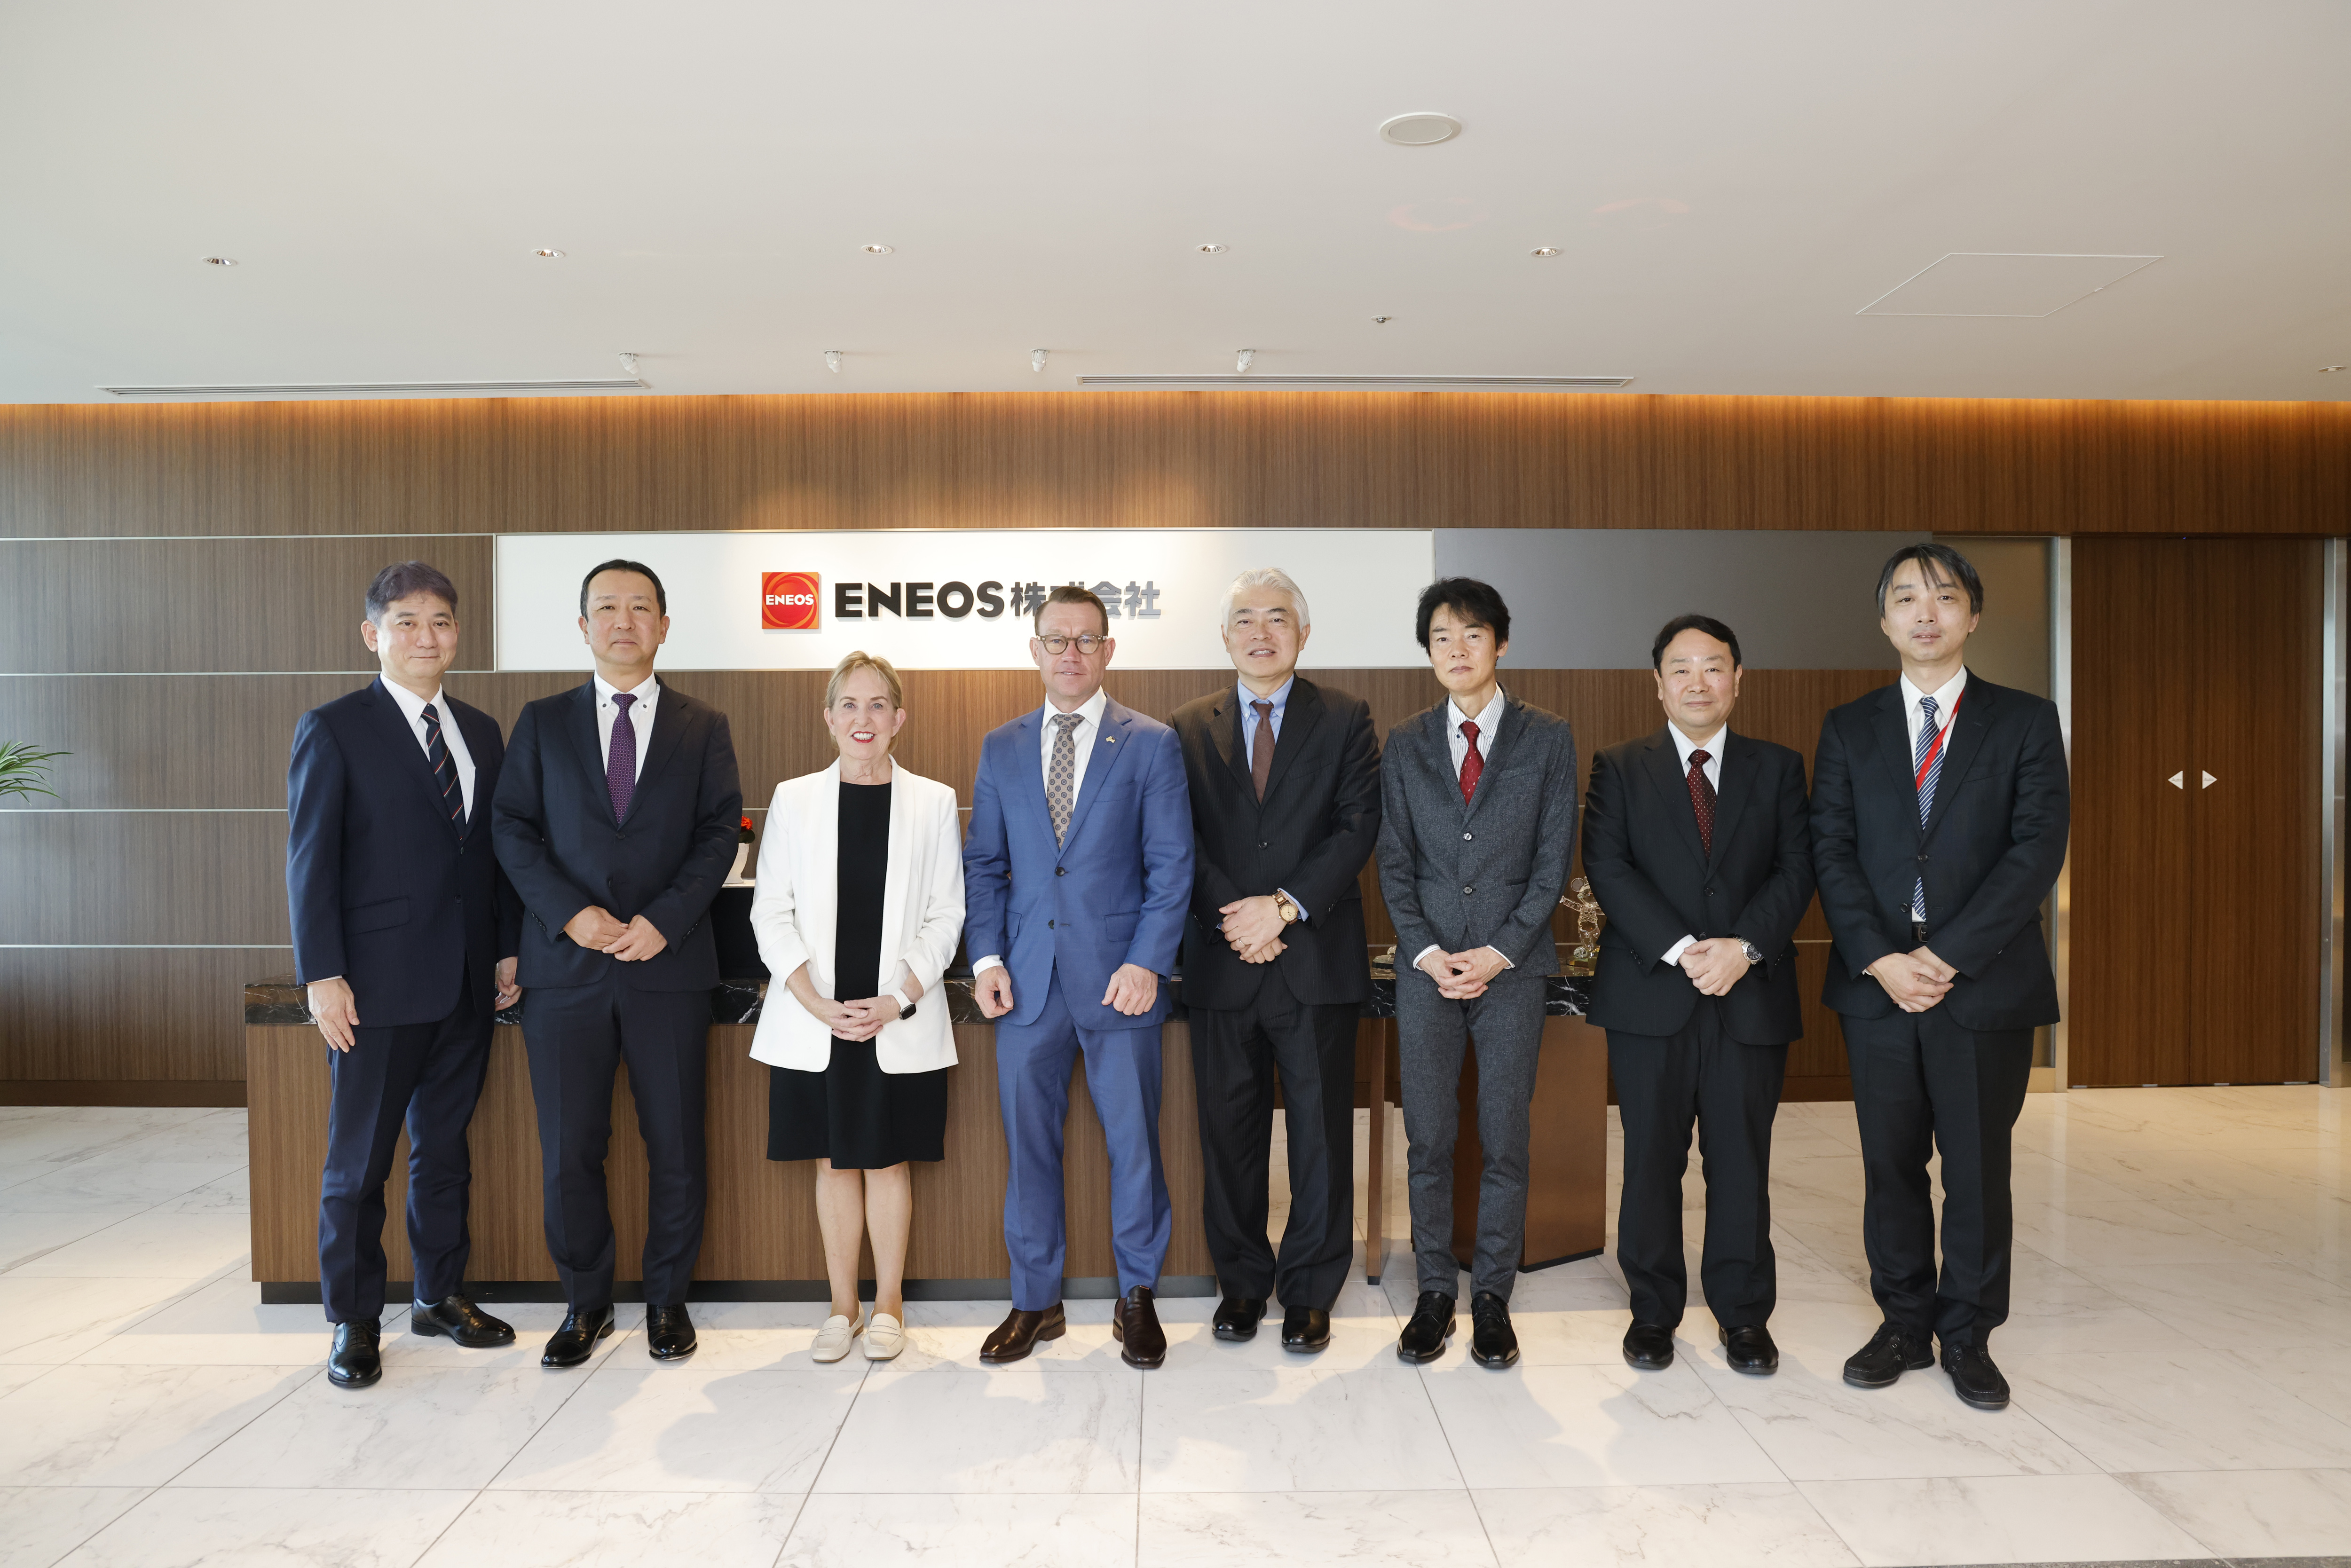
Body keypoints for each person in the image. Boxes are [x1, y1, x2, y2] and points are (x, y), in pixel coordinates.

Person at [1811, 543, 2068, 1410]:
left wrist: (1948, 955)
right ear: (1884, 620)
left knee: (1977, 1165)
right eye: (1908, 599)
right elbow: (1831, 850)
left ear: (1972, 616)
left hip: (1982, 983)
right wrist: (1882, 958)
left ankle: (1968, 1332)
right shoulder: (1849, 726)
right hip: (1879, 982)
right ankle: (1904, 1323)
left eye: (1945, 597)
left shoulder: (2027, 720)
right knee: (1890, 1165)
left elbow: (2036, 852)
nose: (1927, 613)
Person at [491, 559, 742, 1368]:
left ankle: (668, 1303)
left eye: (641, 608)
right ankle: (584, 1305)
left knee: (676, 1143)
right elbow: (512, 830)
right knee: (569, 1148)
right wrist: (572, 914)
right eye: (607, 608)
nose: (624, 621)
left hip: (667, 966)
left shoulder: (705, 725)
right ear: (583, 626)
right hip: (566, 969)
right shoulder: (540, 721)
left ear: (665, 626)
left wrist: (664, 922)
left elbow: (718, 836)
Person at [287, 560, 523, 1390]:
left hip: (464, 982)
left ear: (458, 634)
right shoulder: (335, 727)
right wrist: (323, 975)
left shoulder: (482, 732)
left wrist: (503, 947)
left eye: (442, 623)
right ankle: (354, 1320)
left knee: (445, 1151)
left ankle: (438, 1294)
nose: (427, 637)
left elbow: (488, 856)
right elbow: (310, 863)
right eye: (408, 621)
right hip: (375, 987)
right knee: (360, 1163)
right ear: (373, 634)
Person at [962, 585, 1192, 1368]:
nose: (1071, 652)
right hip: (1025, 983)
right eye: (1056, 639)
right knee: (1029, 1147)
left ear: (1108, 652)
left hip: (1119, 979)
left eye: (1086, 640)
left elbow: (1172, 867)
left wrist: (1148, 961)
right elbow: (985, 865)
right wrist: (986, 959)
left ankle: (1138, 1299)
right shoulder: (1001, 746)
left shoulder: (1152, 744)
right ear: (1034, 649)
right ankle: (1036, 1301)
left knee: (1134, 1145)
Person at [1581, 615, 1815, 1378]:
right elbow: (1609, 869)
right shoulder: (1619, 767)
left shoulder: (1779, 768)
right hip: (1654, 994)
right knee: (1652, 1158)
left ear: (1738, 680)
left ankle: (1745, 1318)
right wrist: (1686, 951)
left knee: (1741, 1160)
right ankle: (1653, 1312)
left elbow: (1797, 869)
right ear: (1657, 684)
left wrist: (1744, 949)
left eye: (1713, 667)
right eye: (1681, 668)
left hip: (1749, 997)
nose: (1697, 682)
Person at [1171, 568, 1381, 1353]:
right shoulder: (1187, 725)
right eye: (1247, 621)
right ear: (1225, 637)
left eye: (1279, 619)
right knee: (1230, 1133)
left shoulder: (1347, 719)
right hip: (1225, 960)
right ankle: (1242, 1285)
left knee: (1321, 1132)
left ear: (1304, 632)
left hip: (1313, 958)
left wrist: (1283, 906)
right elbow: (1175, 838)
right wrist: (1237, 916)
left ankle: (1309, 1291)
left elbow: (1358, 827)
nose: (1263, 633)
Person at [1377, 577, 1578, 1369]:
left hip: (1514, 968)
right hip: (1427, 971)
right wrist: (1427, 953)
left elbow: (1552, 859)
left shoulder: (1548, 737)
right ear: (1427, 652)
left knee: (1504, 1136)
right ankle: (1434, 1291)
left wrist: (1500, 951)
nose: (1456, 651)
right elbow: (1396, 863)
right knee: (1428, 1136)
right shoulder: (1405, 742)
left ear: (1501, 642)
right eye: (1440, 639)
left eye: (1471, 635)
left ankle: (1491, 1294)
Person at [747, 652, 965, 1363]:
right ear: (829, 717)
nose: (863, 719)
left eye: (878, 706)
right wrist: (815, 1002)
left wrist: (895, 1000)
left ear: (899, 719)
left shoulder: (932, 801)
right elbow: (769, 910)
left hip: (892, 1018)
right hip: (817, 1019)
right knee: (833, 1163)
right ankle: (842, 1307)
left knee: (888, 1162)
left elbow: (946, 915)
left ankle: (890, 1306)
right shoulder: (795, 798)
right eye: (849, 705)